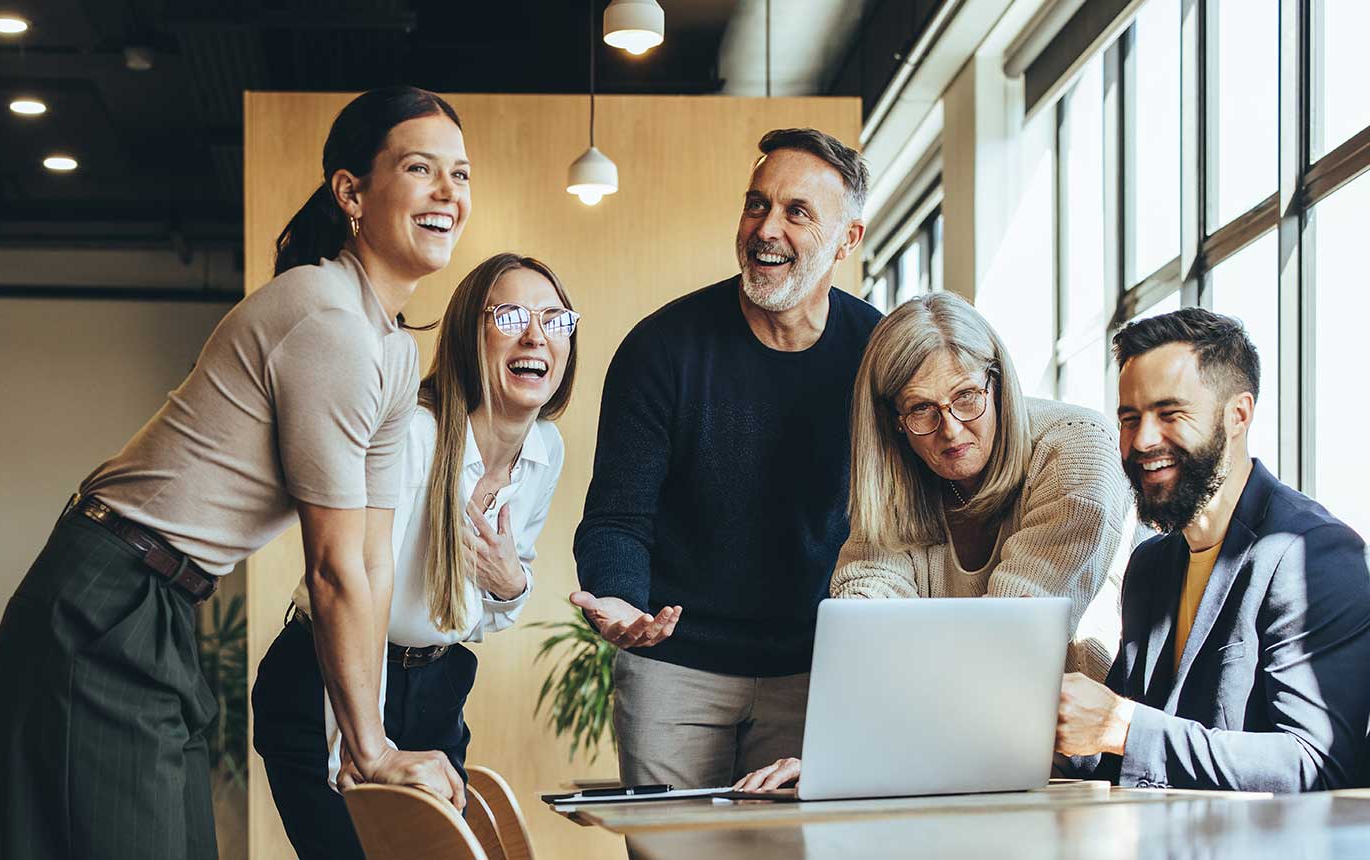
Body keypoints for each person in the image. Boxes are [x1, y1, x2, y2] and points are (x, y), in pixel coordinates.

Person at [0, 86, 473, 859]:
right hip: (102, 597)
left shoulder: (392, 349)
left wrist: (360, 740)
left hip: (166, 599)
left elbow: (373, 559)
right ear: (352, 191)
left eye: (462, 174)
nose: (449, 193)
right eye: (421, 168)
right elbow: (333, 567)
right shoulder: (327, 322)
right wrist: (371, 748)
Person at [572, 127, 881, 806]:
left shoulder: (877, 355)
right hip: (676, 667)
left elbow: (908, 521)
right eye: (756, 204)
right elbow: (618, 518)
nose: (766, 229)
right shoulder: (661, 349)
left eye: (797, 212)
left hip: (816, 669)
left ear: (848, 240)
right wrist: (620, 598)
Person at [731, 290, 1135, 792]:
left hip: (1077, 765)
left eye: (967, 396)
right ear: (894, 423)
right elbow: (867, 631)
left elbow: (1009, 645)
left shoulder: (1078, 448)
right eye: (921, 410)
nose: (951, 430)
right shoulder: (896, 482)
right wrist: (839, 758)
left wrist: (863, 756)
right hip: (948, 753)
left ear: (998, 381)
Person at [254, 252, 580, 858]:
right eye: (510, 316)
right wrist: (358, 744)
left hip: (435, 684)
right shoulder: (414, 435)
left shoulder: (545, 449)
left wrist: (511, 586)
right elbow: (353, 590)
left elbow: (480, 611)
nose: (537, 335)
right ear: (467, 334)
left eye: (556, 319)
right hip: (334, 675)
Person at [1057, 308, 1370, 792]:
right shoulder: (1150, 563)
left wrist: (1122, 727)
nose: (1142, 439)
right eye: (1129, 418)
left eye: (1170, 413)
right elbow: (1118, 747)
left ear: (1238, 415)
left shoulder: (1312, 553)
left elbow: (1315, 763)